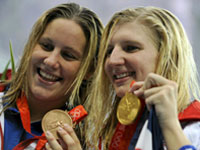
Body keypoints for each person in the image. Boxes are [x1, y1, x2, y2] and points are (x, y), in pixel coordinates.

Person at [84, 6, 200, 150]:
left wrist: (170, 125)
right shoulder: (101, 132)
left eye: (131, 48)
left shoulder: (194, 127)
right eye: (109, 51)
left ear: (167, 56)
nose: (112, 60)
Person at [0, 2, 103, 150]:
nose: (51, 61)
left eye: (68, 55)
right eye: (46, 46)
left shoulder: (87, 143)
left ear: (89, 71)